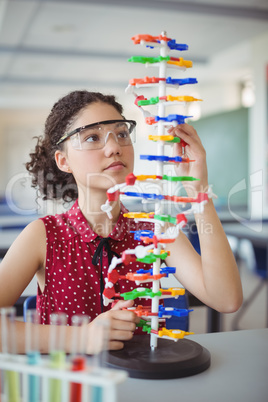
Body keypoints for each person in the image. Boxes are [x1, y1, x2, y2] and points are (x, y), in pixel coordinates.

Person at [0, 90, 243, 354]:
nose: (115, 147)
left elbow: (226, 299)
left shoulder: (154, 229)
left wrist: (199, 191)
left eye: (122, 134)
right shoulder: (43, 235)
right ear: (63, 160)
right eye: (92, 137)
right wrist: (83, 338)